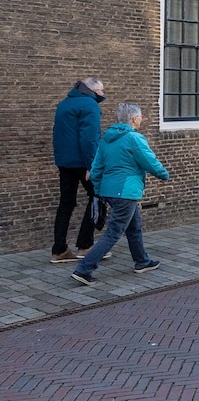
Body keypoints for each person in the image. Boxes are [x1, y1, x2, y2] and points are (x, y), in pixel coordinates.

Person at [72, 103, 169, 286]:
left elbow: (96, 168)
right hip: (126, 191)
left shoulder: (107, 138)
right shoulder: (134, 138)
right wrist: (163, 174)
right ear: (134, 119)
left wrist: (100, 189)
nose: (141, 120)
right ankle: (84, 268)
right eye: (140, 117)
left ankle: (142, 261)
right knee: (113, 233)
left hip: (111, 191)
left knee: (134, 227)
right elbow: (149, 161)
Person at [51, 76, 107, 263]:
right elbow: (89, 139)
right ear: (92, 90)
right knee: (97, 197)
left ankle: (59, 250)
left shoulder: (64, 104)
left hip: (64, 163)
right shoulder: (90, 106)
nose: (103, 95)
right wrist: (92, 166)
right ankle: (85, 245)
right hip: (83, 163)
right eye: (101, 91)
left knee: (66, 204)